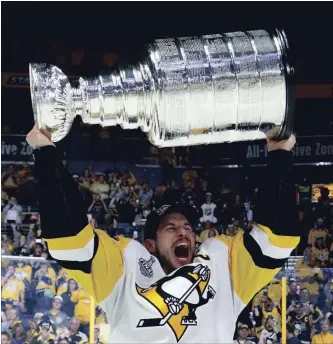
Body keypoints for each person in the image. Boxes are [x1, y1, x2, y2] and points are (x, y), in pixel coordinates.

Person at [27, 125, 299, 343]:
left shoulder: (221, 265)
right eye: (171, 228)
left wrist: (279, 153)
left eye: (188, 228)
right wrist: (45, 153)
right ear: (150, 245)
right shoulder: (127, 265)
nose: (183, 232)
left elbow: (276, 238)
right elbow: (69, 240)